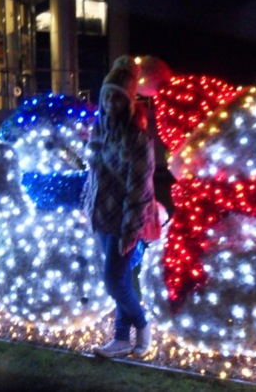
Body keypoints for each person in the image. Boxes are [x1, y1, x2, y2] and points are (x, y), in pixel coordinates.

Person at [82, 55, 157, 358]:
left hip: (125, 219)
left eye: (117, 97)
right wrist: (87, 205)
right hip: (102, 215)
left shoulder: (137, 137)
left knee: (113, 281)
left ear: (128, 101)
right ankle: (121, 338)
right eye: (107, 96)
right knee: (120, 278)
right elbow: (94, 173)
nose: (111, 103)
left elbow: (140, 187)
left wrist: (130, 229)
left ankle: (142, 324)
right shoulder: (100, 128)